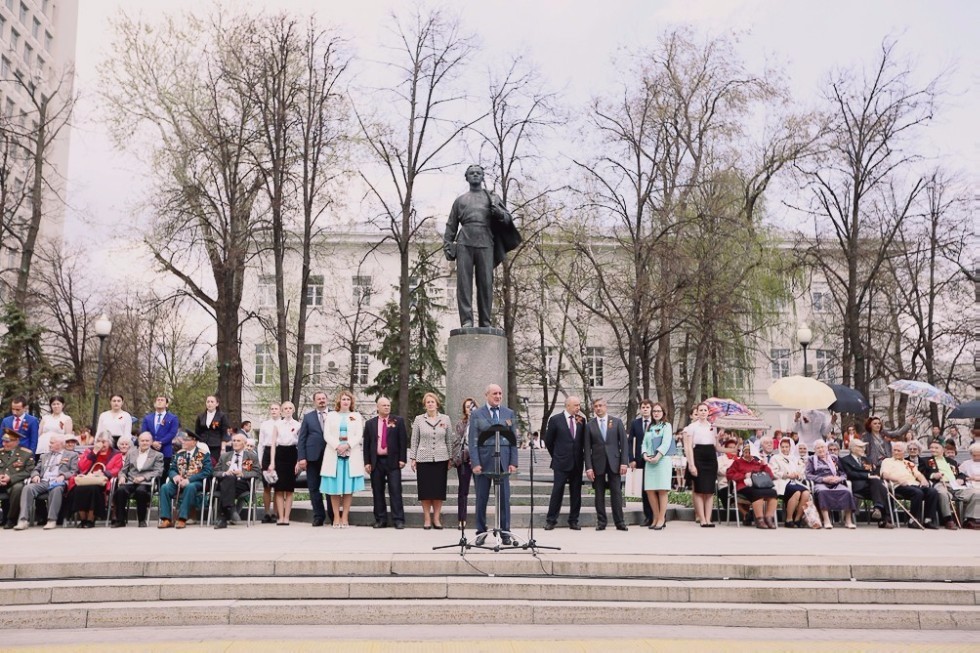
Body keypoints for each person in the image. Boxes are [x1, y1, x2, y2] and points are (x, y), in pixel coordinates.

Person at [442, 164, 520, 328]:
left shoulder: (492, 198)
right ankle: (467, 321)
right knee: (464, 284)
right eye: (472, 173)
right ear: (467, 177)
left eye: (478, 173)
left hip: (485, 241)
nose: (475, 175)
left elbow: (507, 218)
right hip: (465, 242)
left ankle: (485, 321)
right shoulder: (460, 200)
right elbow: (451, 225)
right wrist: (448, 245)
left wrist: (499, 214)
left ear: (483, 176)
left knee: (486, 283)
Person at [468, 384, 518, 545]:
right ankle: (481, 532)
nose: (498, 396)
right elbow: (473, 440)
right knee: (481, 499)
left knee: (504, 499)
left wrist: (513, 461)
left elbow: (513, 440)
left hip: (503, 463)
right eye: (495, 393)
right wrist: (475, 462)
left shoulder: (508, 413)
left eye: (500, 393)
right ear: (487, 395)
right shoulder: (477, 414)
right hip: (483, 463)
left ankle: (505, 533)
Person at [12, 435, 77, 530]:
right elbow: (35, 469)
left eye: (52, 442)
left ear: (60, 444)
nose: (49, 445)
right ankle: (23, 520)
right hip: (43, 481)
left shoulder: (72, 455)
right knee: (27, 488)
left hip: (58, 481)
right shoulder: (44, 456)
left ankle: (51, 520)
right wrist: (35, 475)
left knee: (57, 489)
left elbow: (74, 471)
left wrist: (63, 476)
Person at [321, 390, 365, 529]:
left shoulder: (356, 416)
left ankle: (345, 516)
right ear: (339, 401)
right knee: (334, 488)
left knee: (347, 489)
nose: (345, 401)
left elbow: (359, 435)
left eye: (348, 399)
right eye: (343, 399)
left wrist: (347, 445)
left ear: (351, 402)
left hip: (350, 454)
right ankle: (336, 517)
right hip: (334, 454)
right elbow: (326, 434)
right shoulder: (331, 415)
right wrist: (337, 446)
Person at [584, 398, 629, 532]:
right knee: (599, 493)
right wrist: (589, 467)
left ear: (606, 407)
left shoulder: (616, 422)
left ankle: (619, 522)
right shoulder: (589, 425)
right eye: (596, 406)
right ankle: (601, 522)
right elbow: (587, 448)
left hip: (614, 462)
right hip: (597, 463)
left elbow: (624, 444)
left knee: (616, 492)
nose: (598, 408)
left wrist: (624, 463)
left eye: (601, 406)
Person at [410, 393, 453, 530]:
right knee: (426, 490)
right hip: (423, 458)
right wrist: (413, 458)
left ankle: (437, 518)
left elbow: (449, 440)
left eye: (432, 402)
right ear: (425, 404)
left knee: (438, 491)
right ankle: (427, 518)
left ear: (437, 404)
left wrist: (450, 457)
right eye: (428, 402)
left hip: (441, 458)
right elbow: (414, 439)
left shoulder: (445, 419)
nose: (430, 404)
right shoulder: (419, 419)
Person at [363, 397, 408, 529]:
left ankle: (398, 519)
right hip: (376, 462)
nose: (387, 407)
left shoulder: (397, 421)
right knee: (377, 491)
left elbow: (403, 441)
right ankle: (380, 519)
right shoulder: (370, 423)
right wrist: (367, 462)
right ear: (377, 407)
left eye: (388, 405)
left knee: (395, 490)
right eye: (384, 405)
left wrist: (402, 459)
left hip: (393, 461)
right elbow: (367, 444)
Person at [544, 395, 585, 531]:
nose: (578, 408)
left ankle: (574, 520)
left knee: (576, 492)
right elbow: (549, 441)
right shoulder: (555, 420)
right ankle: (551, 520)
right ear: (567, 406)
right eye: (576, 405)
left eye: (579, 405)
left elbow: (583, 441)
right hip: (561, 463)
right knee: (557, 491)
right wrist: (556, 455)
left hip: (577, 463)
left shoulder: (581, 420)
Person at [158, 431, 212, 529]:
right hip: (178, 481)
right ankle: (166, 519)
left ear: (194, 442)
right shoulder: (180, 454)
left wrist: (190, 480)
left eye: (186, 440)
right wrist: (175, 476)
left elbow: (207, 471)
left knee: (190, 487)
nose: (183, 441)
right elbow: (172, 469)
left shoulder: (203, 454)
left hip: (195, 482)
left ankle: (182, 519)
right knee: (165, 487)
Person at [881, 441, 940, 529]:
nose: (896, 452)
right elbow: (884, 475)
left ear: (903, 452)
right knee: (917, 492)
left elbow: (918, 474)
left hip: (914, 485)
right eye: (894, 450)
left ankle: (928, 520)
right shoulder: (887, 461)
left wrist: (923, 480)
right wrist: (898, 479)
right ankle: (913, 520)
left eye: (898, 451)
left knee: (932, 491)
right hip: (898, 485)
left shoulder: (909, 463)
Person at [920, 439, 976, 531]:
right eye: (931, 448)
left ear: (943, 450)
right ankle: (948, 520)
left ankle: (969, 519)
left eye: (936, 448)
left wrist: (960, 479)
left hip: (955, 485)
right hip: (940, 483)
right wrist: (933, 475)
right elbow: (922, 472)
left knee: (974, 493)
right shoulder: (925, 460)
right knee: (942, 493)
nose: (933, 449)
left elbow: (960, 473)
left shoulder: (951, 461)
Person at [111, 432, 164, 528]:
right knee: (120, 490)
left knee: (141, 491)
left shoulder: (157, 455)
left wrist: (143, 477)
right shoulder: (131, 454)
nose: (144, 443)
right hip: (131, 481)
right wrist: (122, 476)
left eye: (147, 441)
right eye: (142, 440)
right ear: (138, 442)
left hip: (146, 483)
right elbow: (123, 470)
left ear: (151, 442)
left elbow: (158, 471)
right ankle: (120, 520)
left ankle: (142, 520)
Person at [839, 437, 894, 528]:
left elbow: (873, 472)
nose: (863, 449)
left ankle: (878, 510)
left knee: (886, 490)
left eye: (863, 447)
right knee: (879, 485)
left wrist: (873, 476)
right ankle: (883, 519)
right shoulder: (845, 460)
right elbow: (849, 474)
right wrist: (867, 476)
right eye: (860, 447)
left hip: (872, 487)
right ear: (853, 448)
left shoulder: (867, 459)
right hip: (857, 486)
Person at [683, 402, 723, 527]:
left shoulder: (713, 426)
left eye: (705, 410)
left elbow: (717, 447)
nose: (703, 412)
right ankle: (702, 519)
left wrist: (721, 437)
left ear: (709, 412)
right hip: (698, 456)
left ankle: (709, 518)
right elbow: (688, 447)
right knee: (699, 490)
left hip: (711, 457)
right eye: (701, 410)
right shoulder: (692, 427)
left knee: (709, 491)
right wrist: (691, 464)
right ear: (697, 412)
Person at [297, 391, 333, 527]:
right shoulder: (308, 417)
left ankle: (333, 515)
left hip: (331, 456)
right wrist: (302, 458)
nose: (322, 401)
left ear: (327, 400)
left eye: (324, 398)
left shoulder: (334, 415)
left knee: (330, 487)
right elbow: (302, 439)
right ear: (314, 402)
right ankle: (318, 516)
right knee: (314, 487)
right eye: (319, 399)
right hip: (312, 458)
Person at [72, 433, 123, 528]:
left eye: (104, 442)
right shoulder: (89, 451)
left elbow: (117, 469)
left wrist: (104, 473)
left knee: (94, 489)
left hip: (103, 480)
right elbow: (82, 466)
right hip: (87, 478)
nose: (101, 444)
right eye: (98, 441)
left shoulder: (116, 454)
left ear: (109, 442)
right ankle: (83, 519)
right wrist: (94, 452)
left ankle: (91, 519)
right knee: (78, 489)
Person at [805, 440, 857, 529]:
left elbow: (843, 473)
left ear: (826, 448)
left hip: (835, 482)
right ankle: (826, 520)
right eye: (818, 448)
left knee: (846, 491)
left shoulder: (834, 458)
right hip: (820, 482)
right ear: (814, 450)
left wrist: (839, 478)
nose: (821, 449)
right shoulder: (811, 459)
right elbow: (808, 475)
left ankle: (848, 521)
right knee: (823, 491)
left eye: (822, 447)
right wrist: (823, 479)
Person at [213, 432, 260, 529]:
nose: (235, 443)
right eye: (234, 440)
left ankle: (223, 516)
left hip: (242, 484)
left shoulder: (252, 456)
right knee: (229, 478)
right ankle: (231, 509)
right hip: (225, 482)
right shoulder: (225, 456)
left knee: (227, 486)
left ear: (244, 443)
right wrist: (224, 473)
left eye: (238, 441)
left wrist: (242, 474)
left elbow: (257, 473)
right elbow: (215, 472)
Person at [726, 442, 778, 529]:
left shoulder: (757, 462)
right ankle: (759, 519)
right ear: (743, 453)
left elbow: (770, 476)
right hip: (743, 485)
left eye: (750, 452)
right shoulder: (738, 462)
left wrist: (764, 465)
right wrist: (744, 475)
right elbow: (729, 475)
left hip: (759, 485)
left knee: (773, 492)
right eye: (746, 452)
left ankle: (769, 518)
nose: (748, 454)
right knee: (757, 493)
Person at [641, 402, 674, 530]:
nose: (656, 413)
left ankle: (661, 518)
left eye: (658, 411)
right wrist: (644, 454)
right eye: (654, 411)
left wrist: (657, 456)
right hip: (649, 462)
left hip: (662, 460)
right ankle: (655, 517)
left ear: (663, 413)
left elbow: (666, 443)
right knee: (650, 490)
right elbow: (644, 443)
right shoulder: (650, 426)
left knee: (661, 490)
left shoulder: (667, 425)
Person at [768, 436, 812, 528]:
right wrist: (787, 474)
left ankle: (797, 518)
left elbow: (802, 472)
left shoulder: (794, 458)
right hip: (782, 482)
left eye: (786, 447)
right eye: (782, 447)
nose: (784, 449)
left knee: (806, 493)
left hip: (795, 482)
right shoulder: (775, 458)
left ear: (790, 447)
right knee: (796, 492)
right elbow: (773, 472)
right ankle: (789, 519)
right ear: (780, 447)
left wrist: (798, 474)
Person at [269, 401, 300, 526]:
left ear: (293, 410)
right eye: (285, 408)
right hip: (280, 454)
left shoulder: (298, 425)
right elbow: (273, 445)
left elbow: (300, 444)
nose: (287, 410)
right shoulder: (277, 424)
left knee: (289, 489)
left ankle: (287, 517)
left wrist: (298, 461)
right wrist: (272, 462)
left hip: (292, 453)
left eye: (290, 408)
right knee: (279, 489)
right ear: (281, 411)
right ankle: (280, 517)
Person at [628, 399, 655, 527]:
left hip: (655, 459)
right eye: (643, 407)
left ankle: (659, 515)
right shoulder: (635, 423)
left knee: (656, 488)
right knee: (645, 489)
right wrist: (631, 459)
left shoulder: (656, 423)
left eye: (647, 407)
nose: (645, 409)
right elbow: (630, 441)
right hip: (640, 459)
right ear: (640, 409)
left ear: (651, 409)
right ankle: (648, 516)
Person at [0, 428, 35, 527]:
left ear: (16, 441)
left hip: (15, 482)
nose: (4, 444)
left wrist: (10, 478)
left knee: (18, 488)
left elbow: (29, 471)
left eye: (7, 442)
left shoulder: (26, 453)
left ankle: (11, 519)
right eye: (3, 441)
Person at [450, 397, 476, 530]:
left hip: (478, 461)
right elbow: (458, 442)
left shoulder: (480, 423)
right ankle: (462, 518)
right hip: (464, 461)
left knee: (480, 491)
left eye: (472, 406)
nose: (469, 408)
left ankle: (480, 520)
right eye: (467, 406)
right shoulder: (461, 424)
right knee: (463, 491)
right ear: (464, 410)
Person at [140, 395, 179, 477]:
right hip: (150, 449)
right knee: (148, 472)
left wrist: (161, 442)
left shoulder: (172, 418)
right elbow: (144, 432)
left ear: (167, 404)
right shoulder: (148, 418)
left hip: (165, 450)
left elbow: (172, 433)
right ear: (155, 403)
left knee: (163, 474)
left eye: (162, 400)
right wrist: (152, 442)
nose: (159, 401)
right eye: (158, 400)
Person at [257, 402, 281, 523]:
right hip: (266, 453)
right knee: (267, 486)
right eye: (272, 409)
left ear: (280, 410)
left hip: (279, 452)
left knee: (278, 486)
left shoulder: (283, 424)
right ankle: (267, 512)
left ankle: (276, 513)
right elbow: (260, 443)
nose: (274, 411)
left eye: (276, 409)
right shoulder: (265, 424)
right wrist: (260, 459)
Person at [195, 395, 230, 463]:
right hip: (202, 444)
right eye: (208, 402)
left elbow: (224, 433)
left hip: (216, 446)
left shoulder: (222, 416)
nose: (209, 404)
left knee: (213, 463)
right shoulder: (200, 416)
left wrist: (223, 448)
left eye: (212, 402)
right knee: (200, 463)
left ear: (217, 404)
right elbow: (197, 432)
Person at [959, 443, 980, 529]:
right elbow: (959, 474)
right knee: (976, 494)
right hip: (971, 485)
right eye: (974, 455)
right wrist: (968, 478)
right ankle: (971, 519)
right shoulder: (966, 463)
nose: (977, 457)